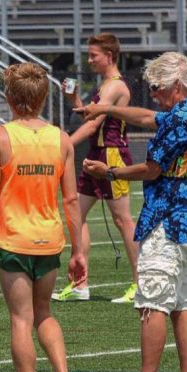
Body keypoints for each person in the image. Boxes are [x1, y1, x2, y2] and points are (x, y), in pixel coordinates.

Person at [77, 51, 187, 372]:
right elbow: (148, 116)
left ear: (176, 85)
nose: (152, 93)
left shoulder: (176, 120)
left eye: (156, 87)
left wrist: (108, 172)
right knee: (183, 304)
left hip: (168, 221)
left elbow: (151, 169)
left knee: (152, 302)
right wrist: (106, 110)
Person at [0, 62, 87, 372]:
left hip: (14, 240)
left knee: (21, 319)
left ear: (9, 97)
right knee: (44, 314)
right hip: (50, 240)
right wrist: (78, 250)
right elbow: (70, 200)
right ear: (42, 98)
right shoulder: (61, 139)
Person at [52, 33, 139, 303]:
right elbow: (90, 117)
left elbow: (92, 125)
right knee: (75, 213)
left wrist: (60, 143)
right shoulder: (105, 86)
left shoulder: (114, 86)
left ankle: (141, 284)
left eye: (94, 55)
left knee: (123, 220)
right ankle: (80, 284)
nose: (89, 60)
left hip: (111, 155)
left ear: (109, 56)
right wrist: (75, 99)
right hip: (96, 153)